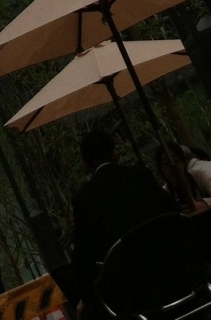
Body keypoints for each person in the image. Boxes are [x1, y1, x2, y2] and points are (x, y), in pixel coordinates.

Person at [71, 130, 176, 311]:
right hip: (175, 268)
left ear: (85, 163)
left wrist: (85, 296)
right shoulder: (141, 175)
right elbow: (172, 210)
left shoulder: (84, 198)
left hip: (132, 292)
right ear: (114, 153)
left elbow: (83, 253)